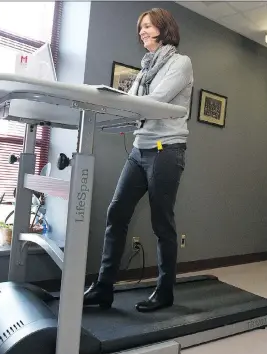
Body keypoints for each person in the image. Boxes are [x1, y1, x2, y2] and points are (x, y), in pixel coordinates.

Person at [84, 8, 194, 312]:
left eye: (147, 26)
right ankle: (104, 288)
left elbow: (155, 102)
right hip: (140, 148)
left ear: (164, 28)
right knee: (117, 212)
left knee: (162, 222)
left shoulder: (180, 63)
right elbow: (130, 103)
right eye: (140, 27)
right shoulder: (145, 68)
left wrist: (128, 104)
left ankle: (165, 290)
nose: (142, 31)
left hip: (166, 149)